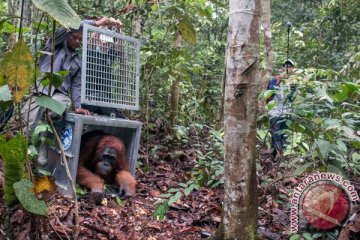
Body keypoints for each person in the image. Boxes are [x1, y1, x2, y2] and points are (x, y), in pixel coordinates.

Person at [21, 16, 123, 166]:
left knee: (56, 110)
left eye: (80, 40)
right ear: (68, 35)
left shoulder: (77, 60)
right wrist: (98, 23)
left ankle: (44, 145)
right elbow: (69, 27)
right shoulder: (53, 46)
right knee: (28, 127)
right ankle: (22, 160)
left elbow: (76, 85)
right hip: (40, 92)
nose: (77, 41)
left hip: (59, 95)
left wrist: (78, 105)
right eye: (74, 37)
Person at [267, 59, 297, 159]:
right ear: (282, 68)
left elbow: (292, 97)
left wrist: (290, 86)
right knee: (275, 134)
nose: (287, 68)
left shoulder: (294, 82)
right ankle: (275, 156)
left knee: (284, 134)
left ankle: (281, 157)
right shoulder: (275, 79)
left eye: (290, 67)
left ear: (293, 69)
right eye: (285, 66)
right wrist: (279, 82)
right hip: (275, 111)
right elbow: (269, 91)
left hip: (287, 112)